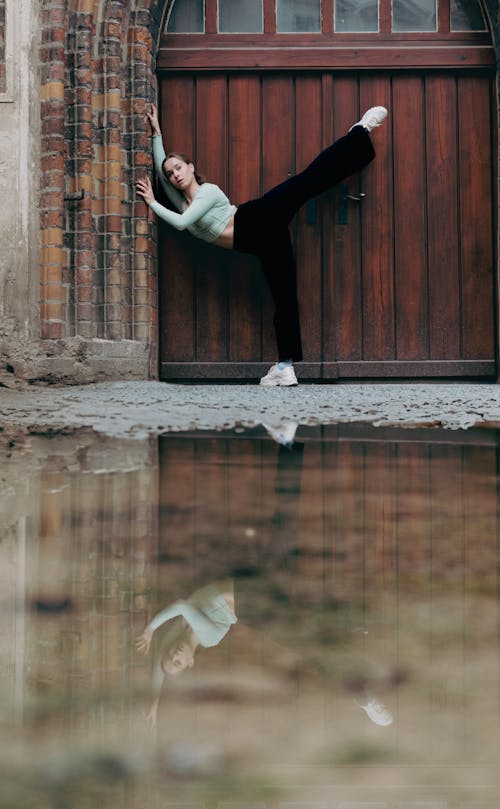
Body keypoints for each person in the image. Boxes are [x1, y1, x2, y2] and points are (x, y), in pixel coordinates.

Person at [137, 103, 387, 386]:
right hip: (259, 242)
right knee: (284, 294)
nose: (174, 175)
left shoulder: (206, 193)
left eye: (179, 168)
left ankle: (359, 133)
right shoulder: (182, 201)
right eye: (171, 173)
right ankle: (285, 366)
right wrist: (156, 133)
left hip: (258, 216)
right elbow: (159, 171)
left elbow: (182, 223)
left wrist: (152, 202)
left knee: (309, 180)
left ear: (191, 168)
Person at [135, 580, 237, 726]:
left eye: (170, 655)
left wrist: (154, 702)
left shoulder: (182, 630)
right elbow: (182, 606)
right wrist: (150, 629)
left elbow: (159, 663)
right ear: (190, 662)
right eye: (178, 662)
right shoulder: (207, 638)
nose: (175, 654)